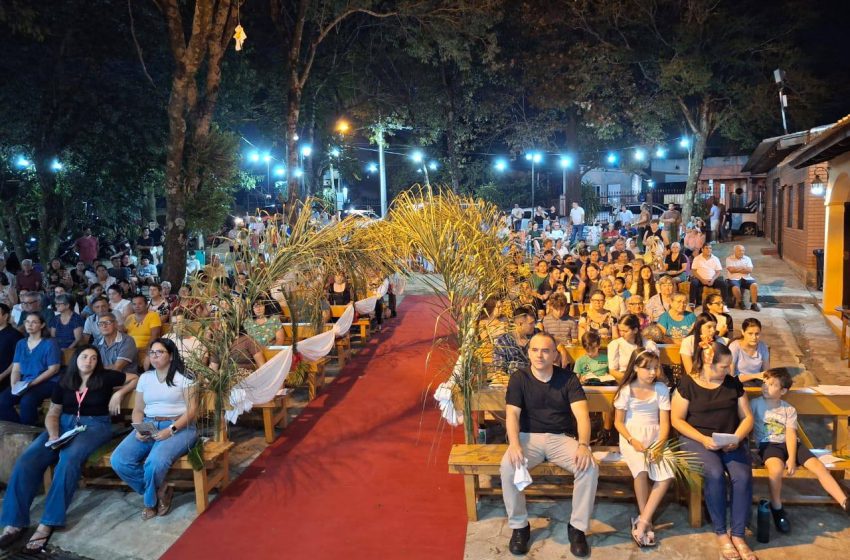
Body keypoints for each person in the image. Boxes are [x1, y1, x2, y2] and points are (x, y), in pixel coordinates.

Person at [0, 346, 138, 552]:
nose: (88, 361)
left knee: (68, 458)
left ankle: (49, 521)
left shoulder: (106, 377)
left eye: (93, 358)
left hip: (94, 425)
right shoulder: (65, 381)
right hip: (63, 425)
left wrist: (120, 394)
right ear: (75, 359)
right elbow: (53, 412)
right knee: (28, 459)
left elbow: (135, 377)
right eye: (84, 357)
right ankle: (14, 522)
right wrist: (54, 435)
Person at [500, 332, 597, 557]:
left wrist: (583, 444)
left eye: (545, 350)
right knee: (507, 466)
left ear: (555, 353)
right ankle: (519, 527)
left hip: (561, 438)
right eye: (534, 350)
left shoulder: (568, 379)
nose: (539, 355)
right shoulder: (519, 378)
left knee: (590, 467)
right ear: (528, 352)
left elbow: (582, 415)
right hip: (527, 437)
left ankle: (577, 528)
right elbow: (512, 415)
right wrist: (514, 444)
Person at [671, 344, 756, 560]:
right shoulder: (688, 384)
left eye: (730, 366)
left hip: (729, 440)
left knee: (742, 476)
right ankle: (720, 532)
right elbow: (677, 420)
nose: (728, 370)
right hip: (696, 440)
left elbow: (747, 417)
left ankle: (738, 534)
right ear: (709, 361)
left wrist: (737, 437)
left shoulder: (732, 384)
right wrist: (702, 439)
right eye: (724, 366)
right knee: (715, 474)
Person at [750, 367, 850, 534]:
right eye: (765, 383)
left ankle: (845, 502)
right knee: (775, 470)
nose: (766, 387)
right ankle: (777, 508)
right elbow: (745, 422)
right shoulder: (755, 404)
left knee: (818, 467)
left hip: (793, 445)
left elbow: (790, 433)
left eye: (772, 384)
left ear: (783, 391)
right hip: (768, 445)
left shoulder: (788, 409)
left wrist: (790, 457)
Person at [110, 338, 198, 520]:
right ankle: (161, 489)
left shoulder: (186, 377)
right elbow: (138, 409)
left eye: (160, 352)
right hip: (149, 424)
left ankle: (150, 503)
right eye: (152, 353)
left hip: (180, 426)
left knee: (155, 462)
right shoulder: (145, 378)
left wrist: (171, 430)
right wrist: (139, 428)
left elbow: (192, 411)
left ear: (171, 355)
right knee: (119, 460)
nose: (155, 356)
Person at [613, 349, 673, 547]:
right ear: (636, 368)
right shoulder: (626, 390)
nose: (652, 373)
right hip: (632, 436)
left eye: (655, 368)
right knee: (641, 470)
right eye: (647, 368)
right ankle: (644, 518)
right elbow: (618, 423)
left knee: (666, 473)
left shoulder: (661, 389)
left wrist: (659, 444)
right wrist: (632, 440)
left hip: (656, 436)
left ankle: (644, 520)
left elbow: (664, 423)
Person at [0, 313, 61, 425]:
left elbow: (54, 369)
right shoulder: (21, 343)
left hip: (47, 382)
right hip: (26, 381)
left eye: (34, 322)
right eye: (27, 322)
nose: (30, 325)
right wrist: (14, 384)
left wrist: (31, 384)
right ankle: (20, 429)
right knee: (2, 400)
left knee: (27, 400)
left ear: (42, 325)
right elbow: (16, 368)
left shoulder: (50, 343)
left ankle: (29, 430)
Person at [608, 314, 658, 381]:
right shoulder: (615, 344)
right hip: (623, 381)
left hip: (646, 382)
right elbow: (613, 371)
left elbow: (657, 369)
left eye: (625, 331)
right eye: (620, 330)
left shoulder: (649, 345)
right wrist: (632, 380)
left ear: (635, 330)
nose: (621, 334)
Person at [492, 307, 536, 377]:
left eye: (534, 322)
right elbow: (498, 368)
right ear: (520, 324)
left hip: (536, 379)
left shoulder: (537, 335)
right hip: (513, 380)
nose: (534, 325)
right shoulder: (503, 341)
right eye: (531, 323)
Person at [125, 295, 162, 370]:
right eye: (134, 304)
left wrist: (147, 352)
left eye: (140, 303)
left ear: (146, 305)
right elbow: (123, 335)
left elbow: (155, 336)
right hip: (130, 350)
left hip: (146, 350)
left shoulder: (153, 315)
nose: (137, 306)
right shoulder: (129, 318)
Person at [728, 318, 770, 384]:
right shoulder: (734, 347)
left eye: (757, 334)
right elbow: (730, 377)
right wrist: (755, 375)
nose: (754, 337)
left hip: (757, 381)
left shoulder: (763, 346)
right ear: (743, 332)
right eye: (750, 333)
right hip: (738, 383)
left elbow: (767, 372)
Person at [726, 245, 760, 311]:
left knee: (754, 285)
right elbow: (731, 270)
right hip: (734, 278)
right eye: (740, 251)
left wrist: (736, 269)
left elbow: (750, 270)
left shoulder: (747, 258)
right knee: (735, 287)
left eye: (743, 250)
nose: (742, 252)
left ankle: (754, 304)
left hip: (746, 278)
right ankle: (740, 302)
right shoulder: (729, 259)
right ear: (735, 251)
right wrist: (743, 268)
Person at [0, 303, 24, 389]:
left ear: (5, 316)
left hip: (6, 379)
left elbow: (17, 361)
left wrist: (2, 376)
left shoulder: (15, 335)